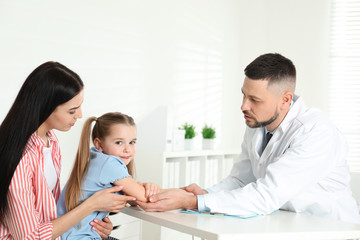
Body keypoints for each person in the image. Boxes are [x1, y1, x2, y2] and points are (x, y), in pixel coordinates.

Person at [136, 53, 360, 224]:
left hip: (328, 228)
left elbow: (267, 194)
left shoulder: (316, 132)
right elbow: (242, 180)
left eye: (255, 99)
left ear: (285, 99)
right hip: (285, 223)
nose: (244, 106)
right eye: (244, 95)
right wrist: (207, 193)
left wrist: (193, 202)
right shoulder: (258, 123)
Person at [0, 62, 135, 240]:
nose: (79, 115)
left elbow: (50, 211)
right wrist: (90, 206)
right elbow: (29, 237)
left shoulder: (51, 142)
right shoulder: (22, 158)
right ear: (46, 107)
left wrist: (90, 223)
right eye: (72, 110)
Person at [57, 112, 160, 239]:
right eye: (119, 142)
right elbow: (145, 198)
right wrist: (148, 189)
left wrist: (140, 188)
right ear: (99, 144)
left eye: (132, 142)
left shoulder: (95, 158)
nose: (127, 149)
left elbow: (134, 200)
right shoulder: (108, 163)